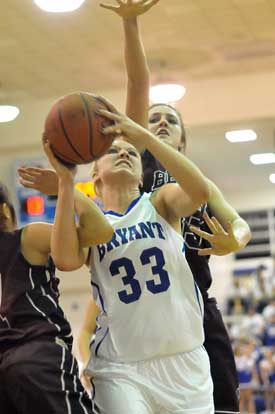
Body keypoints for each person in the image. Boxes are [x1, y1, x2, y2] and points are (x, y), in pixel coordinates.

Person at [80, 1, 251, 413]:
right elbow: (139, 82)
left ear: (182, 141)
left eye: (169, 121)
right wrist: (130, 23)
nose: (157, 123)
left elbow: (238, 223)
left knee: (223, 401)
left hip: (193, 302)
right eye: (151, 118)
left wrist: (235, 242)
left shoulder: (191, 181)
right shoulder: (134, 162)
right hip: (137, 289)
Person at [51, 100, 215, 413]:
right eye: (112, 151)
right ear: (95, 175)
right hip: (120, 367)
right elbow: (65, 260)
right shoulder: (93, 224)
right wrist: (64, 183)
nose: (124, 152)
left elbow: (200, 192)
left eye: (131, 152)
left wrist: (145, 135)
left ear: (141, 176)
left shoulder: (160, 204)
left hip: (186, 363)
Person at [0, 141, 113, 414]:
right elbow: (101, 231)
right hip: (37, 357)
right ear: (6, 212)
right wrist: (67, 186)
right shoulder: (26, 238)